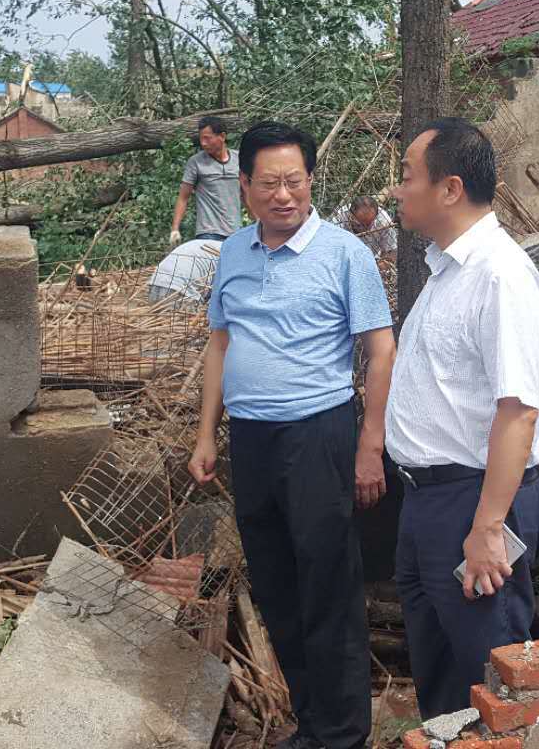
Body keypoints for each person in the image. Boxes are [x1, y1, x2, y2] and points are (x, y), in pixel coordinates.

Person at [189, 121, 395, 749]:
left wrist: (370, 444)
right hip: (252, 440)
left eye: (295, 181)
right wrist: (206, 434)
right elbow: (220, 344)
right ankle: (313, 725)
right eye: (270, 183)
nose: (284, 195)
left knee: (328, 587)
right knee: (278, 585)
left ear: (310, 181)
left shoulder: (344, 252)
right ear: (244, 185)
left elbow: (380, 350)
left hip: (319, 436)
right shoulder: (232, 254)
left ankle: (343, 734)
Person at [386, 117, 539, 718]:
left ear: (449, 189)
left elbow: (518, 410)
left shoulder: (500, 275)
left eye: (407, 177)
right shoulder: (446, 272)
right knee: (440, 666)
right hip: (428, 499)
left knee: (490, 667)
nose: (397, 191)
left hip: (474, 500)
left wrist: (487, 527)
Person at [171, 116, 242, 243]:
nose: (203, 143)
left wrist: (259, 221)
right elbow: (183, 197)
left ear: (222, 136)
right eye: (201, 138)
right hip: (208, 232)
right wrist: (175, 229)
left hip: (236, 231)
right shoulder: (196, 162)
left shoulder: (239, 160)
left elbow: (247, 194)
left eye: (207, 138)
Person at [147, 236, 222, 308]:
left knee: (164, 319)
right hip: (180, 289)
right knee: (182, 320)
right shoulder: (228, 253)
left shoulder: (219, 246)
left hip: (156, 282)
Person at [332, 195, 399, 264]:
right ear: (350, 215)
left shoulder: (384, 221)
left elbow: (391, 252)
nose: (364, 229)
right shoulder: (340, 217)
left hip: (372, 259)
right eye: (359, 225)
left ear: (376, 217)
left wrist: (379, 268)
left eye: (368, 225)